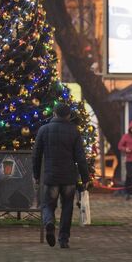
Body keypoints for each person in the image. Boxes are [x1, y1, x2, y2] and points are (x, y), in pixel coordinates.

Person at [33, 103, 90, 248]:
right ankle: (63, 239)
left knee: (47, 205)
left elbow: (36, 155)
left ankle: (49, 223)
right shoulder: (74, 131)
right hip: (69, 177)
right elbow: (80, 157)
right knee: (67, 208)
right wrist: (85, 178)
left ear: (54, 114)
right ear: (69, 116)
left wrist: (36, 174)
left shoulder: (44, 130)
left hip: (51, 176)